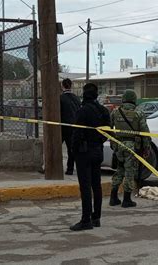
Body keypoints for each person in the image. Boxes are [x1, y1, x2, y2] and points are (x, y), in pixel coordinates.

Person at [70, 83, 110, 231]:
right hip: (97, 150)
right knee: (96, 185)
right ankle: (96, 217)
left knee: (85, 187)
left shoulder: (82, 111)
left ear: (83, 94)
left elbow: (77, 133)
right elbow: (108, 132)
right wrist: (99, 141)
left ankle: (86, 219)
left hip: (84, 152)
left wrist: (74, 151)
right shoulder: (103, 111)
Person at [109, 89, 151, 208]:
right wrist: (146, 148)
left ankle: (113, 197)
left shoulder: (115, 112)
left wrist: (113, 143)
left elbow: (109, 129)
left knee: (119, 170)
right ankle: (126, 199)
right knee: (130, 172)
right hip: (132, 146)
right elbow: (145, 133)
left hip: (118, 146)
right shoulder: (139, 114)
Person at [60, 78, 81, 175]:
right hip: (74, 127)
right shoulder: (76, 98)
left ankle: (52, 167)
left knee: (55, 148)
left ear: (62, 86)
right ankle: (70, 169)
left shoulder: (60, 98)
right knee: (71, 149)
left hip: (62, 127)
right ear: (71, 86)